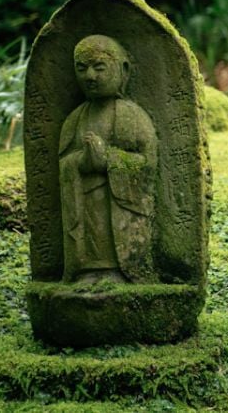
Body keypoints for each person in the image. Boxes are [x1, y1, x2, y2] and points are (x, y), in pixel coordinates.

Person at [59, 35, 156, 285]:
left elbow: (148, 163)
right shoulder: (75, 119)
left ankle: (119, 271)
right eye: (82, 69)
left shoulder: (132, 115)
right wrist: (81, 161)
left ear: (122, 70)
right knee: (91, 234)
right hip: (86, 201)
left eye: (99, 67)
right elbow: (64, 164)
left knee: (110, 233)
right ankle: (87, 271)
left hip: (119, 204)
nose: (90, 76)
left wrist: (108, 159)